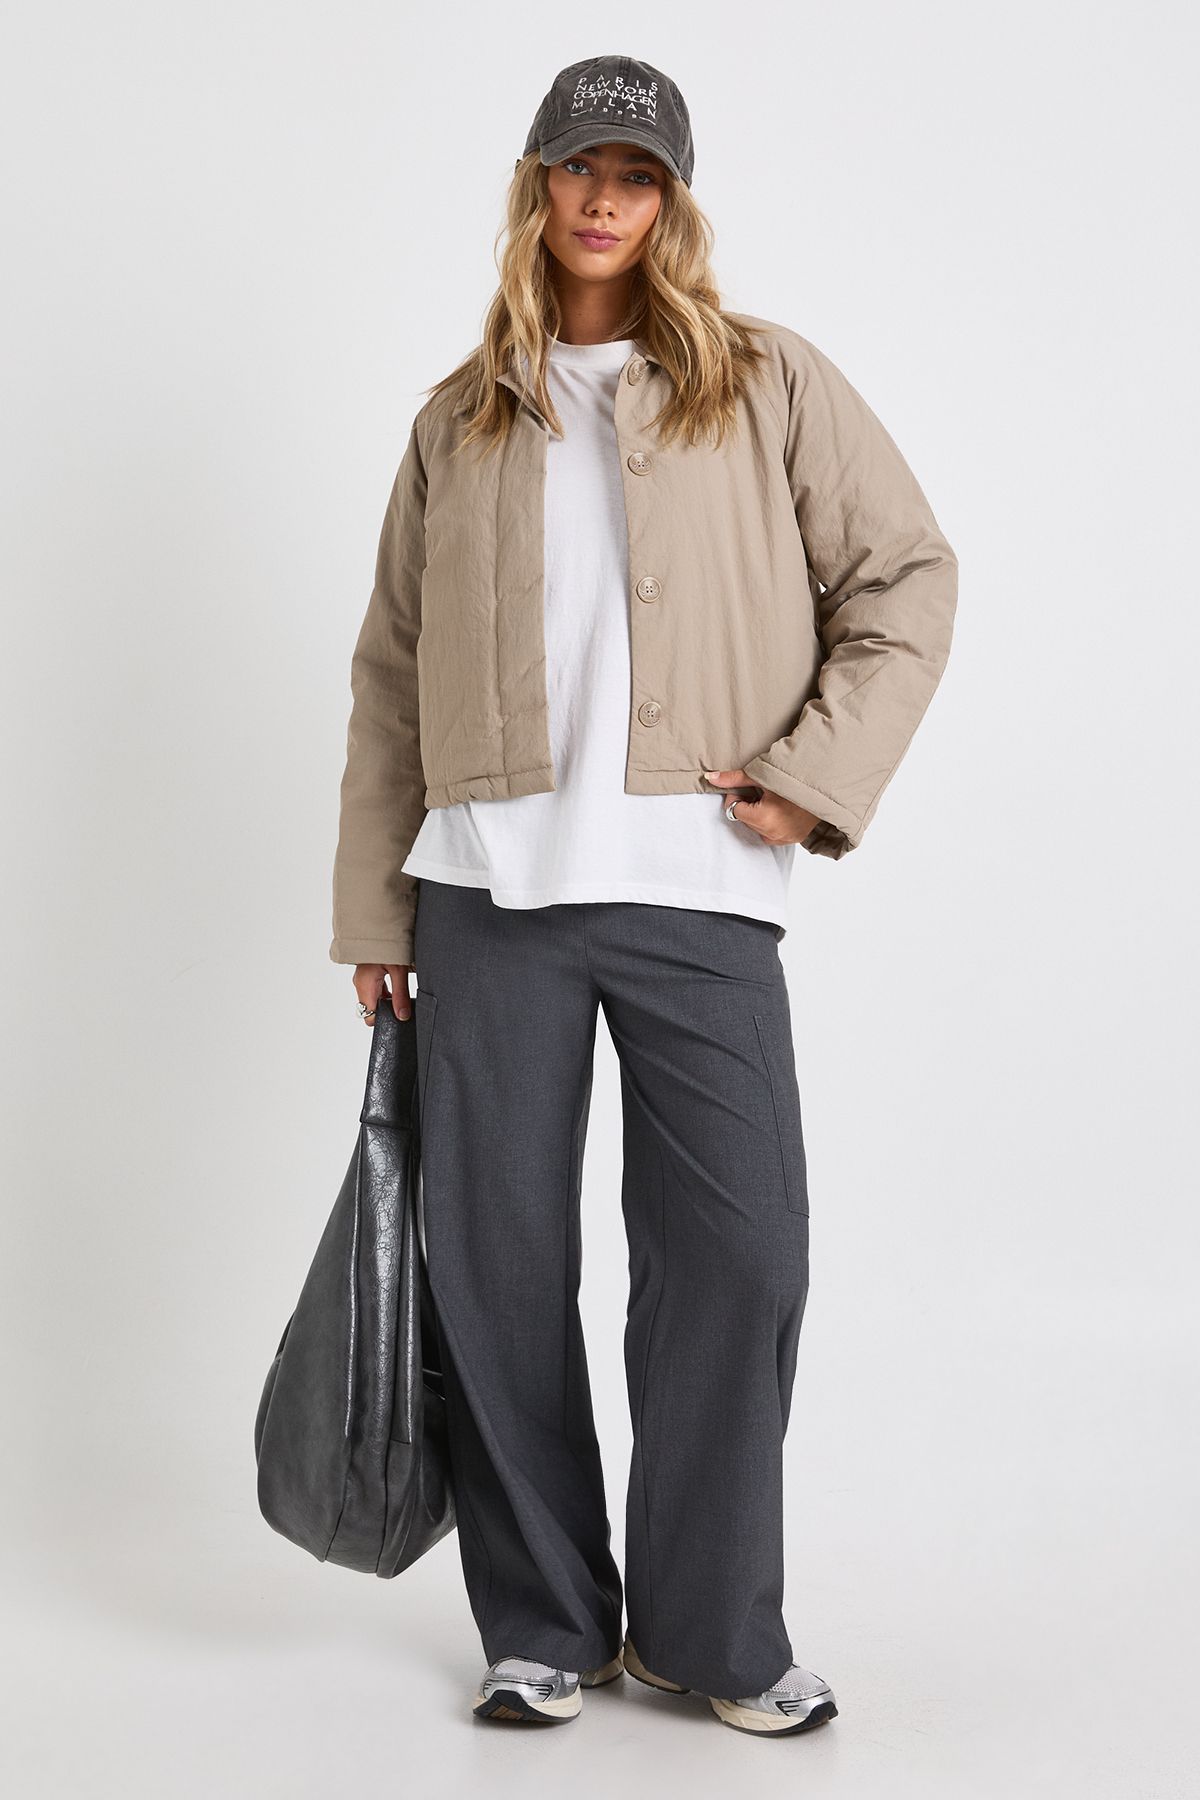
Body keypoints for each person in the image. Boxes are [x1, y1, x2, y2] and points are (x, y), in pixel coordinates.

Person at [328, 53, 958, 1736]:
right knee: (497, 1272)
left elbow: (907, 577)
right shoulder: (459, 419)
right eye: (577, 167)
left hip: (699, 887)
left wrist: (813, 776)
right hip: (486, 899)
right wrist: (376, 913)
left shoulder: (766, 381)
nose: (603, 199)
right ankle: (544, 1623)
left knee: (740, 1256)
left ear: (671, 201)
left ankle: (708, 1631)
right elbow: (391, 674)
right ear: (535, 185)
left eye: (636, 174)